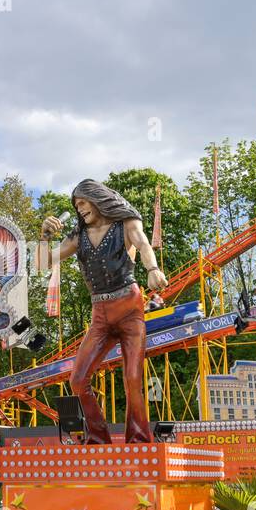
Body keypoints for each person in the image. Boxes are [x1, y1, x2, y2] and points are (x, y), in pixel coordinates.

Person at [41, 180, 167, 444]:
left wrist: (153, 269)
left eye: (83, 202)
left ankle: (139, 438)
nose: (80, 209)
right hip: (100, 312)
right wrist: (44, 237)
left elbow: (143, 245)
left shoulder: (126, 224)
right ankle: (98, 436)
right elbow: (43, 261)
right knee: (78, 379)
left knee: (133, 377)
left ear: (96, 198)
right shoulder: (78, 236)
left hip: (129, 308)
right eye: (76, 206)